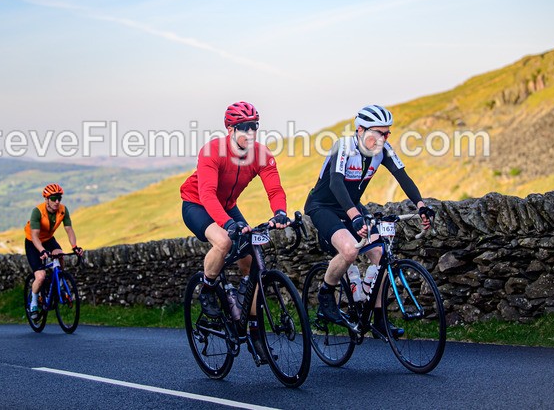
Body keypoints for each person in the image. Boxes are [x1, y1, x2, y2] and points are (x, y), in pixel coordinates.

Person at [304, 104, 436, 338]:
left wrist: (421, 206)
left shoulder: (383, 150)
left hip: (352, 206)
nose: (382, 139)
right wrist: (355, 217)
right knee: (349, 251)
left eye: (387, 133)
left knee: (381, 255)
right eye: (378, 133)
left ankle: (379, 319)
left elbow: (403, 177)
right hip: (323, 206)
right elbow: (336, 183)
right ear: (360, 131)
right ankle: (326, 295)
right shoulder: (343, 147)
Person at [180, 101, 290, 363]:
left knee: (252, 261)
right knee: (223, 242)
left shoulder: (261, 154)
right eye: (244, 127)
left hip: (228, 206)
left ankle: (253, 330)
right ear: (230, 129)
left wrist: (280, 213)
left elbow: (274, 190)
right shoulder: (212, 151)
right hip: (197, 204)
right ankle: (208, 288)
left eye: (254, 126)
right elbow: (207, 194)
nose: (251, 133)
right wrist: (228, 224)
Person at [25, 183, 83, 313]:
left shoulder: (63, 210)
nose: (57, 201)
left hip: (48, 239)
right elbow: (34, 236)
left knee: (60, 254)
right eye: (53, 198)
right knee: (40, 276)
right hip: (33, 242)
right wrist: (42, 250)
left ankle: (60, 283)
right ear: (46, 199)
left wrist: (75, 247)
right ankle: (34, 302)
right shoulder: (37, 212)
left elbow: (69, 230)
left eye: (59, 198)